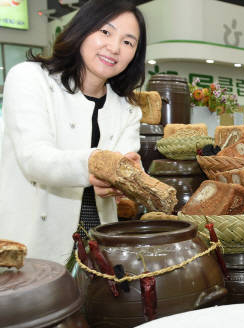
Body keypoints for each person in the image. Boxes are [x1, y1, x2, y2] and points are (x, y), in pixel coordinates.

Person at [0, 0, 147, 264]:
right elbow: (34, 158)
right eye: (105, 31)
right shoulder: (30, 78)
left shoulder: (127, 109)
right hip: (29, 242)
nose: (114, 47)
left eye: (128, 42)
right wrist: (96, 165)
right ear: (81, 30)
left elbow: (125, 166)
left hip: (99, 242)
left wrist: (128, 181)